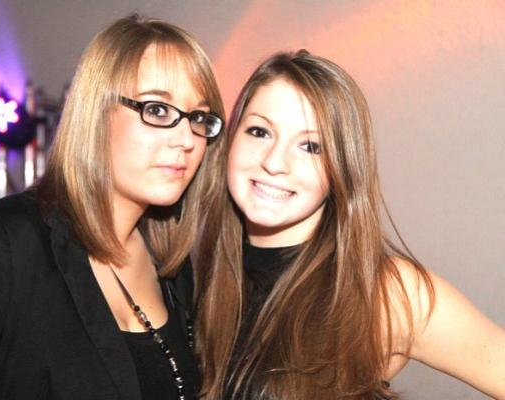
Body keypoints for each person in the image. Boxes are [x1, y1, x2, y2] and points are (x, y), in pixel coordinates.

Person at [0, 15, 226, 399]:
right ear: (96, 112)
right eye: (158, 109)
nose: (187, 139)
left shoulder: (173, 269)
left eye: (198, 117)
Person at [194, 49, 505, 399]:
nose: (275, 162)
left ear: (342, 167)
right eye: (259, 131)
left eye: (311, 146)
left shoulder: (385, 292)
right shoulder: (191, 278)